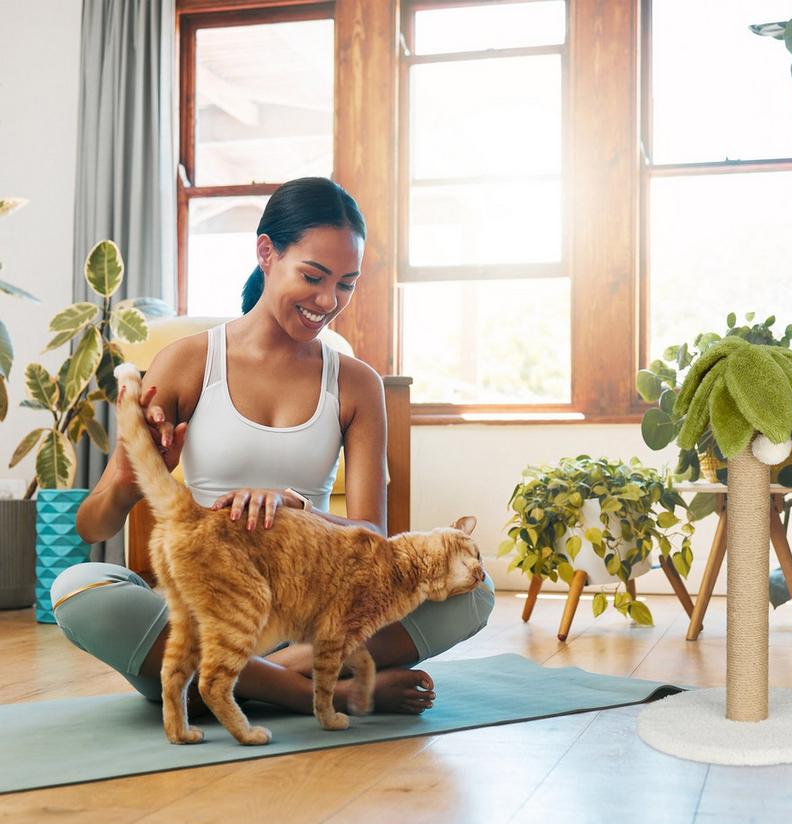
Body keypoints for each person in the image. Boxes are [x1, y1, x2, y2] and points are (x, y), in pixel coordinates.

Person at [51, 177, 494, 717]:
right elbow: (92, 527)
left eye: (347, 284)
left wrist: (297, 507)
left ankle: (223, 681)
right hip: (216, 604)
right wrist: (124, 478)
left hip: (313, 620)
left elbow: (372, 536)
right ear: (266, 252)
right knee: (80, 586)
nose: (328, 301)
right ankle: (324, 692)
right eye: (313, 276)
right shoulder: (189, 363)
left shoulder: (355, 384)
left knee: (474, 591)